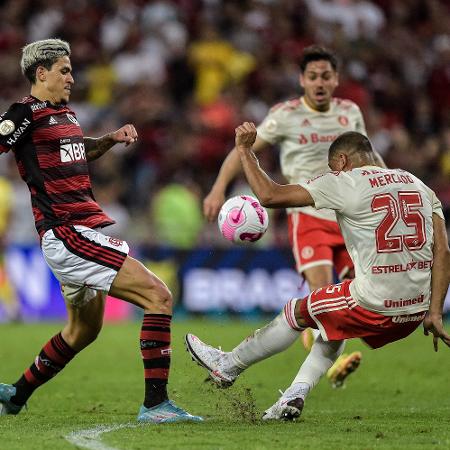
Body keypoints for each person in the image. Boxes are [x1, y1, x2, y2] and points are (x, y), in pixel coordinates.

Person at [186, 123, 450, 421]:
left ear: (341, 161)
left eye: (332, 166)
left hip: (375, 304)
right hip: (415, 313)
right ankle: (294, 395)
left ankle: (227, 366)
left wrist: (245, 150)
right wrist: (435, 312)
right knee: (333, 322)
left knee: (295, 312)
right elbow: (443, 251)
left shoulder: (345, 180)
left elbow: (270, 196)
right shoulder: (418, 184)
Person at [0, 39, 202, 424]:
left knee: (83, 331)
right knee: (159, 296)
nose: (72, 78)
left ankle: (17, 393)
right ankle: (156, 405)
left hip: (75, 233)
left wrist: (108, 140)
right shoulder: (24, 113)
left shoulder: (66, 115)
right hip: (69, 233)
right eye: (64, 70)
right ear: (41, 74)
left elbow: (78, 150)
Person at [204, 45, 380, 387]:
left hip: (349, 216)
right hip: (308, 213)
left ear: (336, 79)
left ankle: (329, 356)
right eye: (312, 76)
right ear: (302, 80)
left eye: (326, 76)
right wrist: (218, 187)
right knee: (321, 292)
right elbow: (243, 150)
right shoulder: (285, 115)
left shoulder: (350, 112)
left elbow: (368, 158)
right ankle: (332, 365)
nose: (319, 82)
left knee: (360, 295)